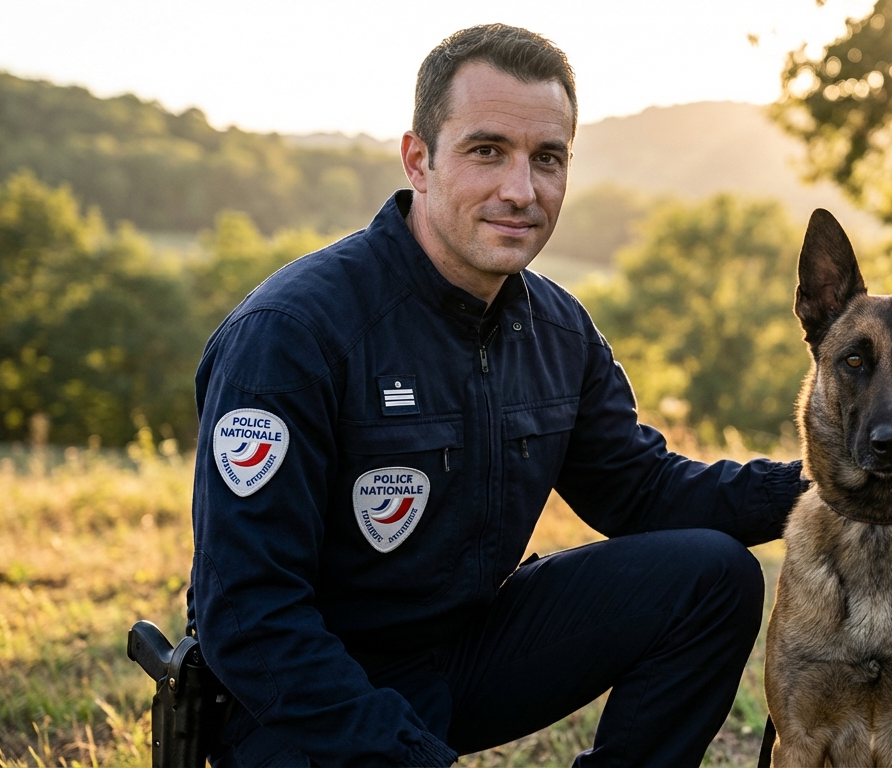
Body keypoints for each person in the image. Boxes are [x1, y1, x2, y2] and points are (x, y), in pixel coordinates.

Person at [188, 24, 805, 767]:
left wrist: (829, 485)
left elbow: (643, 492)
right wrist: (408, 755)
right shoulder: (292, 333)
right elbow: (249, 614)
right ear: (418, 160)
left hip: (462, 655)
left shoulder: (559, 330)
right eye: (487, 151)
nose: (521, 191)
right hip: (305, 703)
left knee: (712, 576)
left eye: (548, 158)